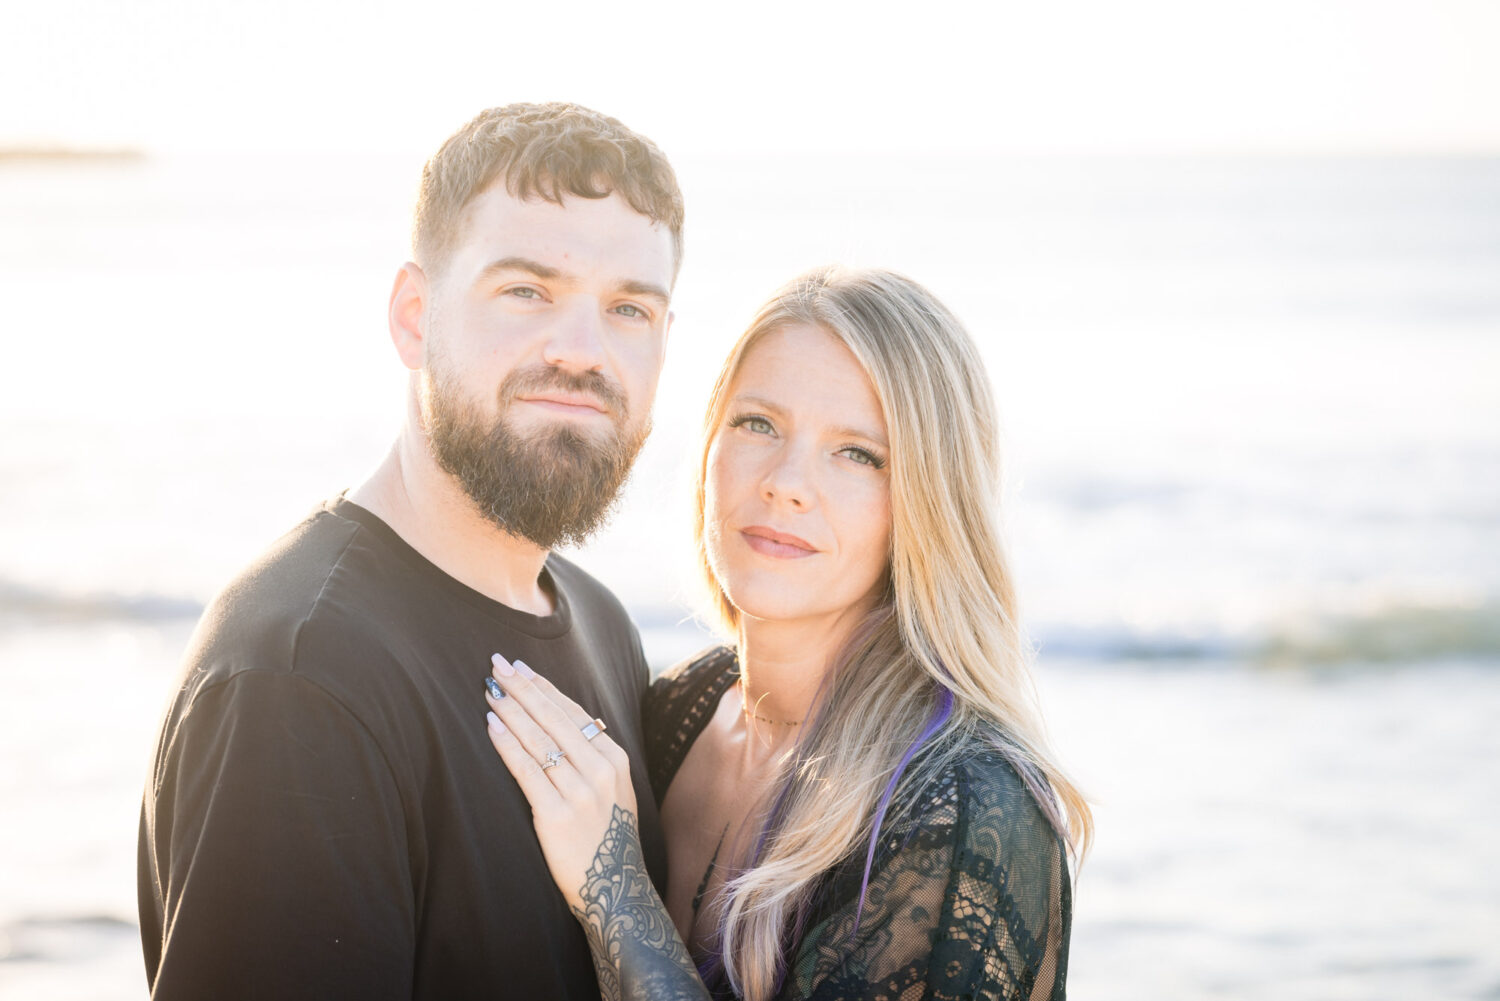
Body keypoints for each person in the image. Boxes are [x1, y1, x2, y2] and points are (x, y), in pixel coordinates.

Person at [137, 102, 685, 999]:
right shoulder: (301, 678)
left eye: (629, 308)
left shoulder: (600, 621)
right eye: (527, 290)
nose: (582, 351)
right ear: (413, 317)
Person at [482, 266, 1094, 1000]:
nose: (786, 481)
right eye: (758, 424)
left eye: (858, 453)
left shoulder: (961, 807)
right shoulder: (680, 705)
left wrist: (615, 889)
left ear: (928, 503)